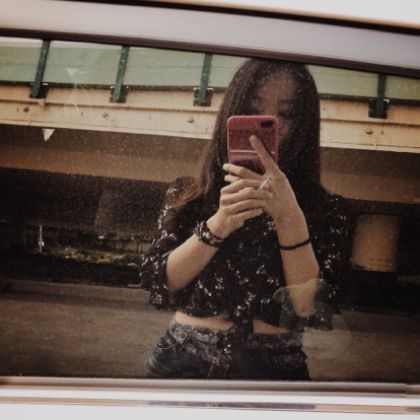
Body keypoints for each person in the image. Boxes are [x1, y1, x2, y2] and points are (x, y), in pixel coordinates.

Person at [138, 59, 353, 380]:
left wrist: (289, 218)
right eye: (254, 110)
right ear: (232, 113)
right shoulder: (189, 194)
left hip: (274, 366)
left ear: (303, 125)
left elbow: (308, 307)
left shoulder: (326, 209)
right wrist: (220, 223)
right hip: (184, 355)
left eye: (286, 113)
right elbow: (160, 279)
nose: (270, 123)